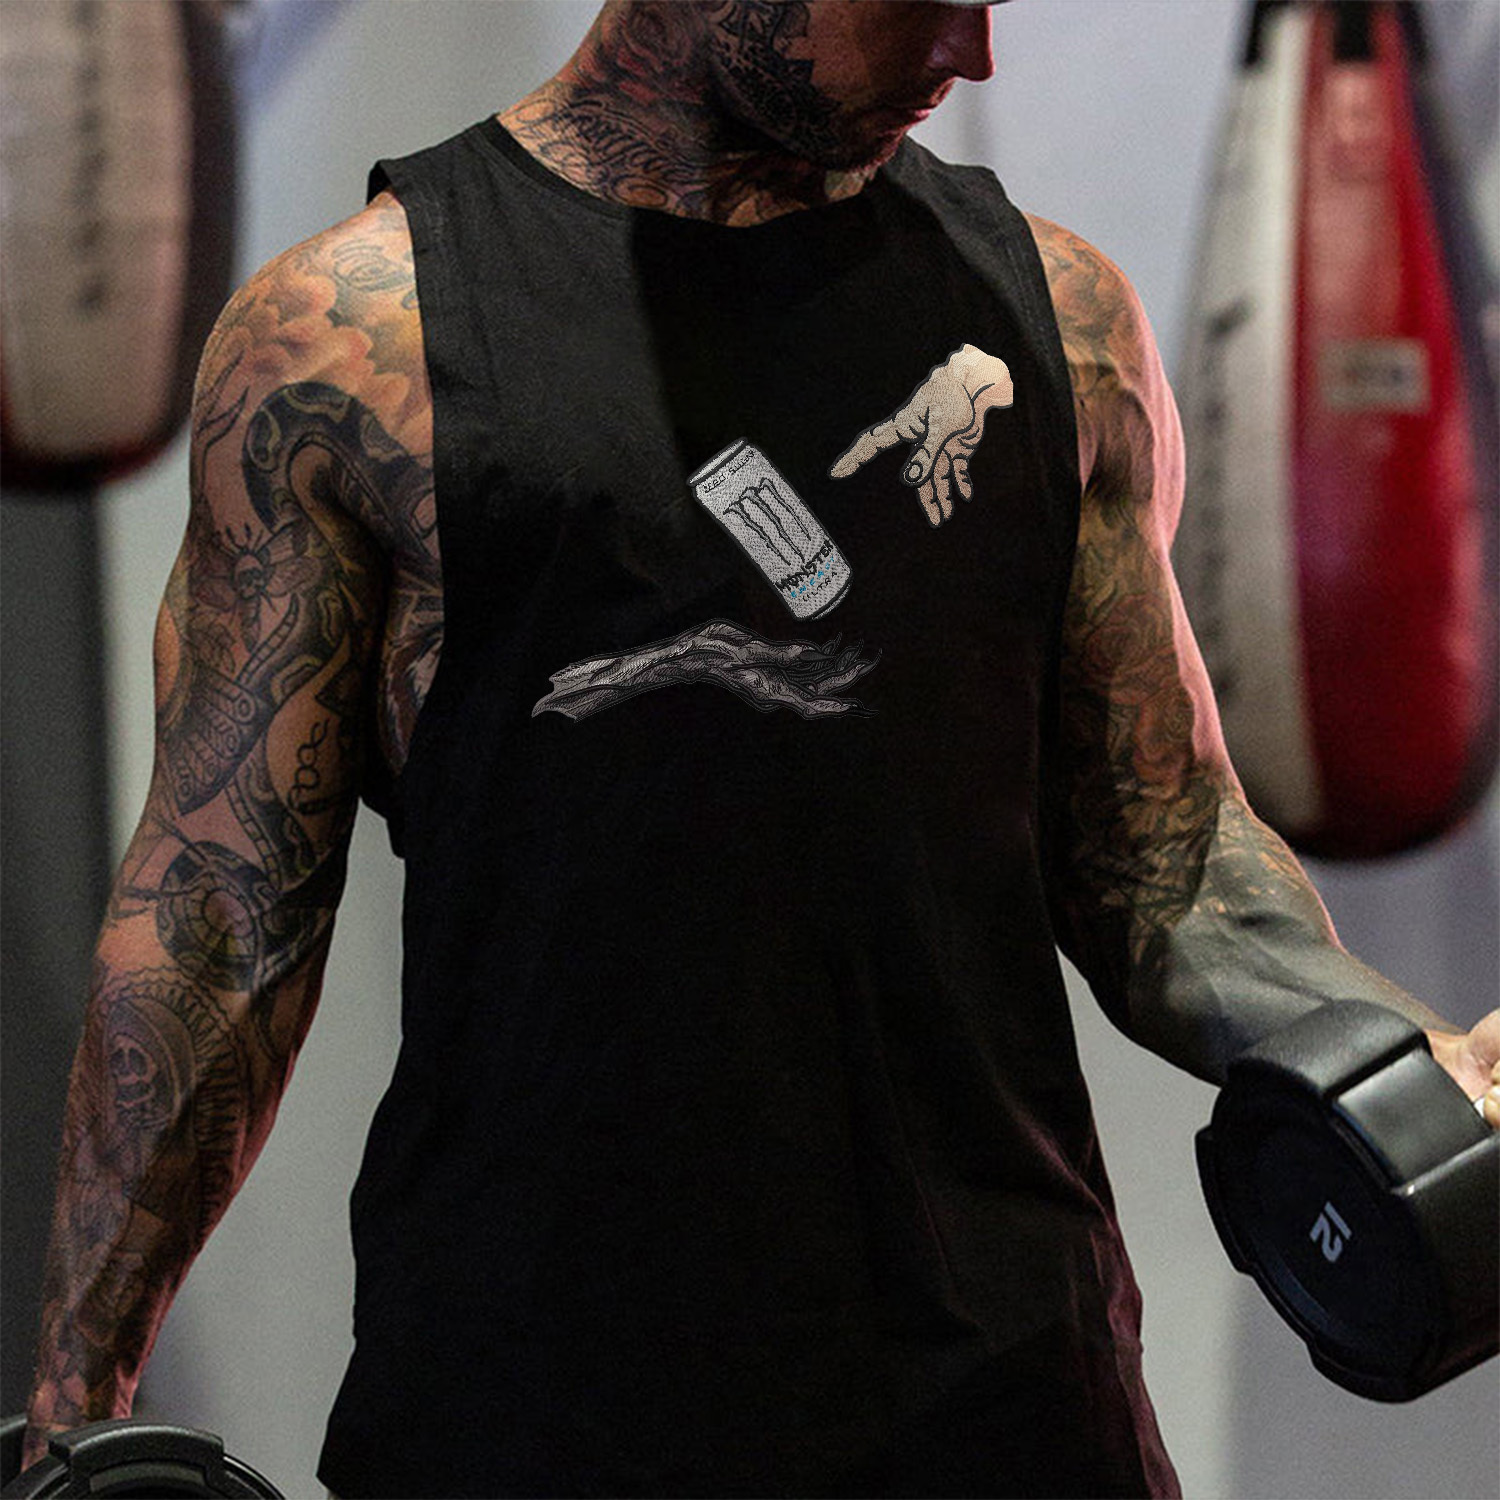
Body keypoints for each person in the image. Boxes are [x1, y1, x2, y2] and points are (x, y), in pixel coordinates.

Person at [21, 2, 1499, 1495]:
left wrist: (1394, 1054)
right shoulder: (352, 346)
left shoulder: (1053, 320)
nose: (970, 55)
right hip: (532, 1407)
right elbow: (217, 918)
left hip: (1007, 1403)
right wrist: (77, 1413)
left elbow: (1164, 857)